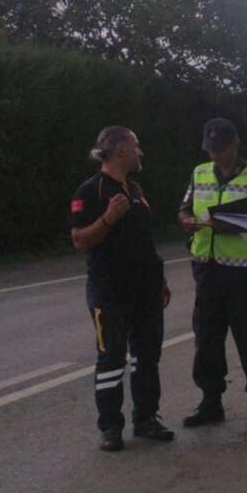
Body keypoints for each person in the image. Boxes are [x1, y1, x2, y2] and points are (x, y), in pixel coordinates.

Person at [69, 126, 175, 451]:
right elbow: (79, 240)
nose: (141, 153)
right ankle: (111, 428)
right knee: (111, 359)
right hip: (110, 292)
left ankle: (146, 419)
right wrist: (108, 218)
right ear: (121, 151)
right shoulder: (90, 191)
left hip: (145, 291)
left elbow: (144, 241)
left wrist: (160, 281)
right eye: (137, 146)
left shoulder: (137, 190)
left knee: (147, 358)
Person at [177, 118, 247, 431]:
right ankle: (211, 403)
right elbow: (184, 207)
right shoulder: (199, 173)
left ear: (234, 144)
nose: (215, 156)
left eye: (220, 150)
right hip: (207, 269)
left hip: (244, 273)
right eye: (210, 150)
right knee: (207, 338)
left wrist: (232, 224)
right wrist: (186, 220)